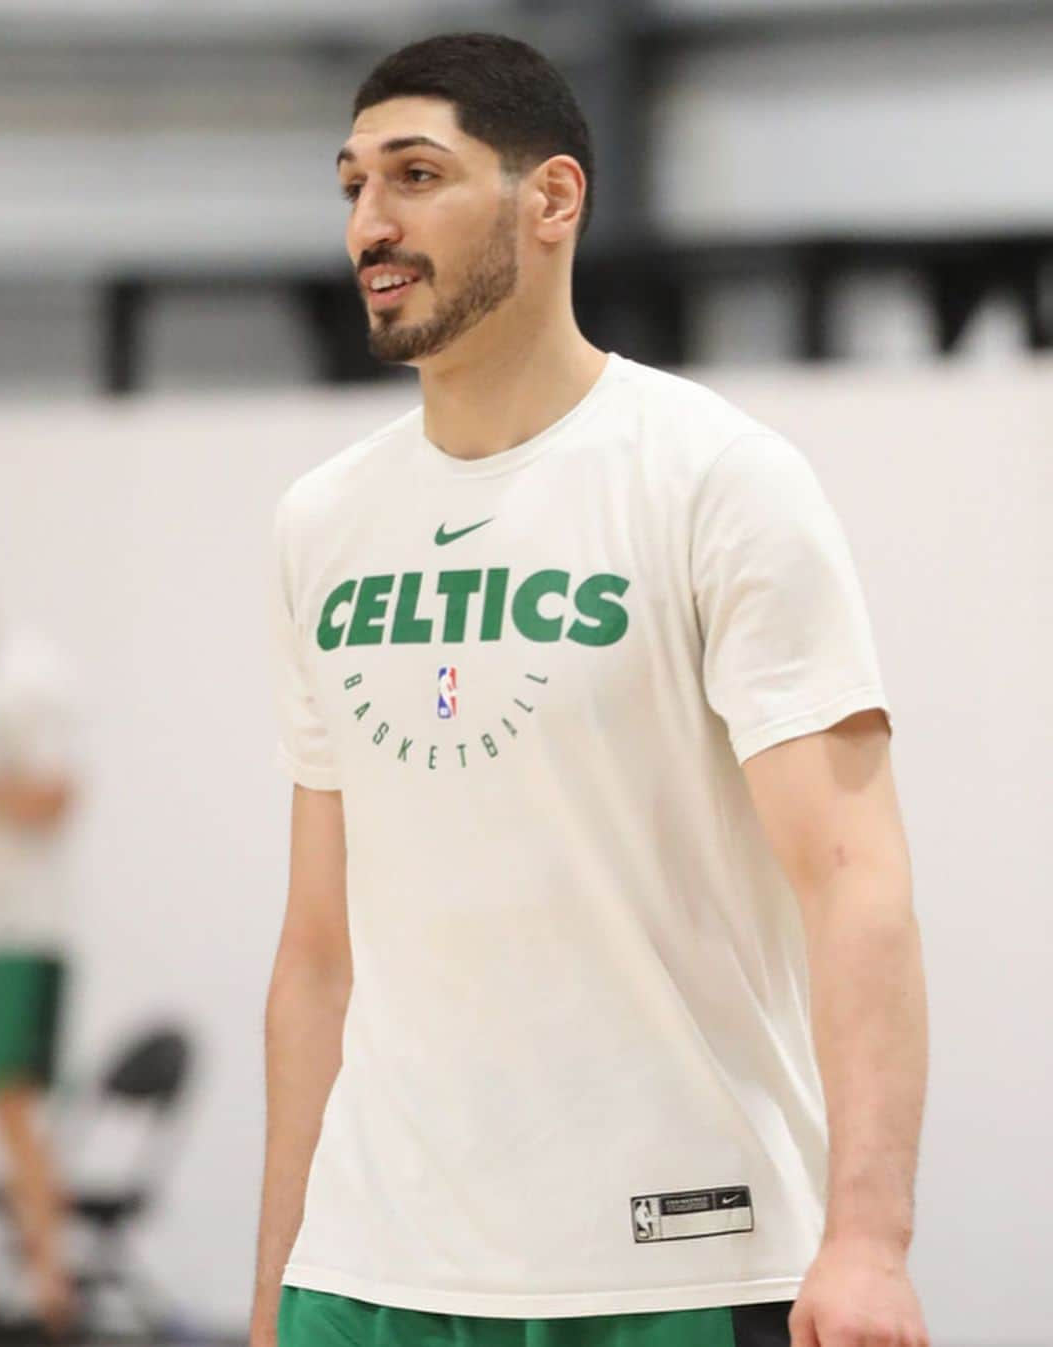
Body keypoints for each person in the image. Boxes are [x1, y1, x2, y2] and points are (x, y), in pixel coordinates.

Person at [253, 31, 930, 1347]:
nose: (370, 226)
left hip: (670, 1265)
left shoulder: (715, 478)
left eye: (415, 175)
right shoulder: (318, 523)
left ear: (552, 198)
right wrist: (280, 1280)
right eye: (350, 187)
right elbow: (319, 949)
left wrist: (867, 1236)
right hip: (370, 1270)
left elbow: (856, 874)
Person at [0, 575, 80, 1341]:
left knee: (12, 1105)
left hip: (16, 932)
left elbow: (54, 797)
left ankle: (51, 1292)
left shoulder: (25, 676)